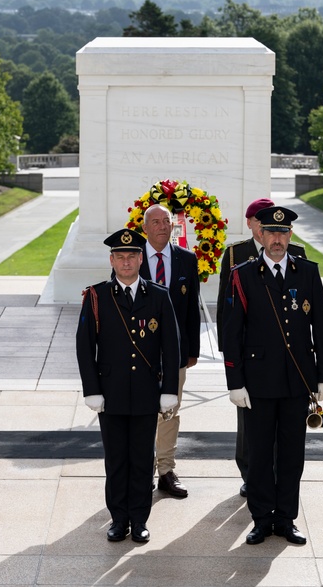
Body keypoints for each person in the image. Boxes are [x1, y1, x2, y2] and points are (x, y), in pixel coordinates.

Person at [222, 205, 323, 546]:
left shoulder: (307, 272)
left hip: (297, 381)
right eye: (271, 232)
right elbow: (231, 333)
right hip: (257, 382)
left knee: (291, 454)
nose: (277, 239)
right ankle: (261, 518)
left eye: (283, 233)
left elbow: (322, 326)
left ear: (290, 236)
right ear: (261, 234)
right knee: (257, 454)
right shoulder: (242, 274)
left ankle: (285, 518)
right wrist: (235, 381)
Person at [76, 229, 180, 543]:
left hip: (147, 393)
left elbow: (171, 348)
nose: (126, 262)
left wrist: (169, 391)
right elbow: (84, 346)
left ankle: (139, 519)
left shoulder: (159, 296)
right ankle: (118, 519)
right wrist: (92, 389)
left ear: (139, 259)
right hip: (111, 393)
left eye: (131, 256)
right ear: (112, 260)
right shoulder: (96, 297)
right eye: (120, 257)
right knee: (116, 460)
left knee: (141, 459)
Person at [216, 198, 305, 497]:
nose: (262, 227)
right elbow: (226, 311)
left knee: (284, 428)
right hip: (250, 355)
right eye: (257, 221)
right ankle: (249, 472)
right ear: (253, 224)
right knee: (250, 424)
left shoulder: (297, 254)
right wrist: (229, 355)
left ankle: (277, 474)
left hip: (287, 357)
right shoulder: (234, 255)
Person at [139, 203, 200, 499]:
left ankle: (166, 470)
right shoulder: (132, 257)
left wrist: (193, 351)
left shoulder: (187, 259)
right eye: (157, 222)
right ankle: (142, 469)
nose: (164, 227)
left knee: (170, 411)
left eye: (167, 221)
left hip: (175, 352)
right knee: (142, 412)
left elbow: (192, 311)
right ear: (145, 227)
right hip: (142, 352)